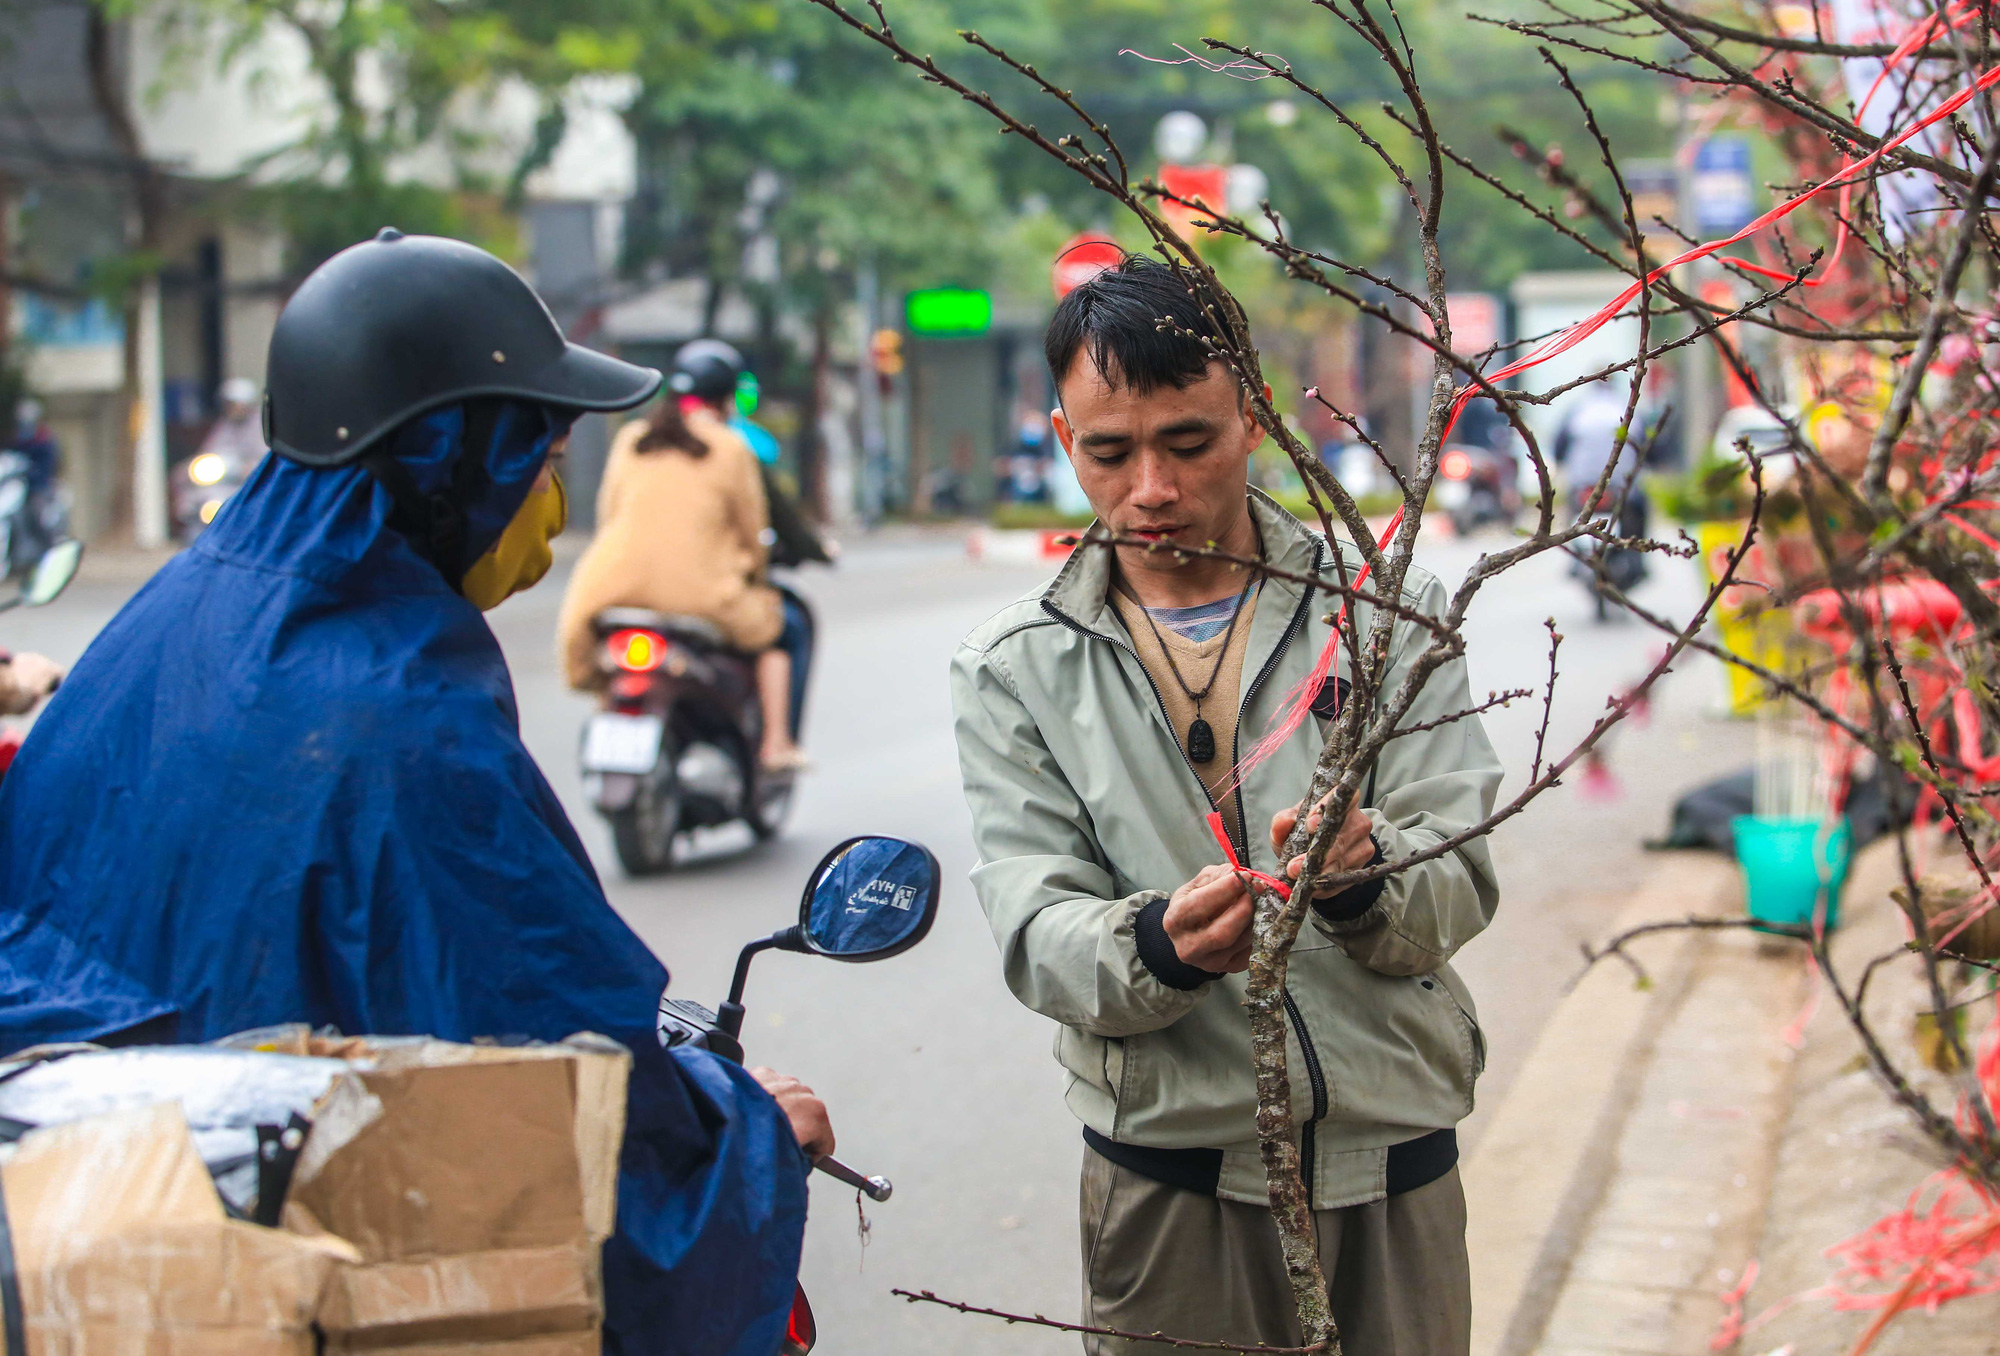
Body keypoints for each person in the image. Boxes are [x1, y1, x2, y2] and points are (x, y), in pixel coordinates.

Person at [0, 230, 829, 1356]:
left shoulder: (171, 613)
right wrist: (746, 1131)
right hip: (276, 1267)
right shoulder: (404, 711)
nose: (547, 498)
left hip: (90, 1227)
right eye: (536, 458)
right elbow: (561, 1078)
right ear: (452, 458)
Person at [950, 256, 1503, 1355]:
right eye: (1109, 453)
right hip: (1171, 1181)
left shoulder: (1384, 610)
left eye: (1187, 443)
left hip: (1387, 1155)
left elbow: (1459, 873)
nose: (1149, 487)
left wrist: (1363, 876)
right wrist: (1153, 945)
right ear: (1066, 445)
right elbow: (1033, 926)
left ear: (1252, 418)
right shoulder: (1014, 666)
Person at [558, 339, 808, 772]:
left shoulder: (633, 438)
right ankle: (776, 744)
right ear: (728, 398)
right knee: (779, 635)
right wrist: (756, 572)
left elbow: (609, 514)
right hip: (702, 597)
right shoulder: (730, 447)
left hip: (611, 589)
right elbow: (752, 533)